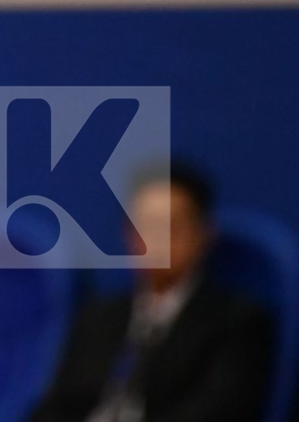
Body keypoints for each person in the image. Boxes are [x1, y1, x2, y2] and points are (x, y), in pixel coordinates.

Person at [30, 164, 274, 422]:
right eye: (144, 226)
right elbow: (56, 404)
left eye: (170, 227)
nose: (155, 240)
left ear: (204, 233)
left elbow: (220, 410)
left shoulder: (238, 321)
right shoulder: (98, 317)